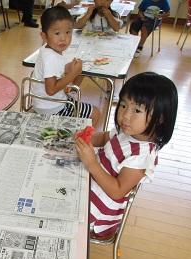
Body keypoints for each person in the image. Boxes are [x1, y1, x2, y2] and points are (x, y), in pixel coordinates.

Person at [74, 72, 177, 238]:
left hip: (95, 211)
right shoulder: (129, 131)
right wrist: (85, 137)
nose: (125, 116)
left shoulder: (141, 156)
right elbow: (104, 137)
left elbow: (117, 191)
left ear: (160, 118)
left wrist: (92, 163)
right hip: (88, 183)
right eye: (123, 105)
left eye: (137, 110)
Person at [31, 6, 101, 125]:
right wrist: (73, 73)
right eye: (57, 33)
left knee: (76, 80)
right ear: (44, 36)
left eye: (68, 32)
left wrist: (69, 69)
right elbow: (51, 90)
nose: (63, 38)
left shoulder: (47, 50)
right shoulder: (51, 57)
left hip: (44, 102)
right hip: (51, 108)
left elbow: (57, 76)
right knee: (95, 113)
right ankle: (79, 142)